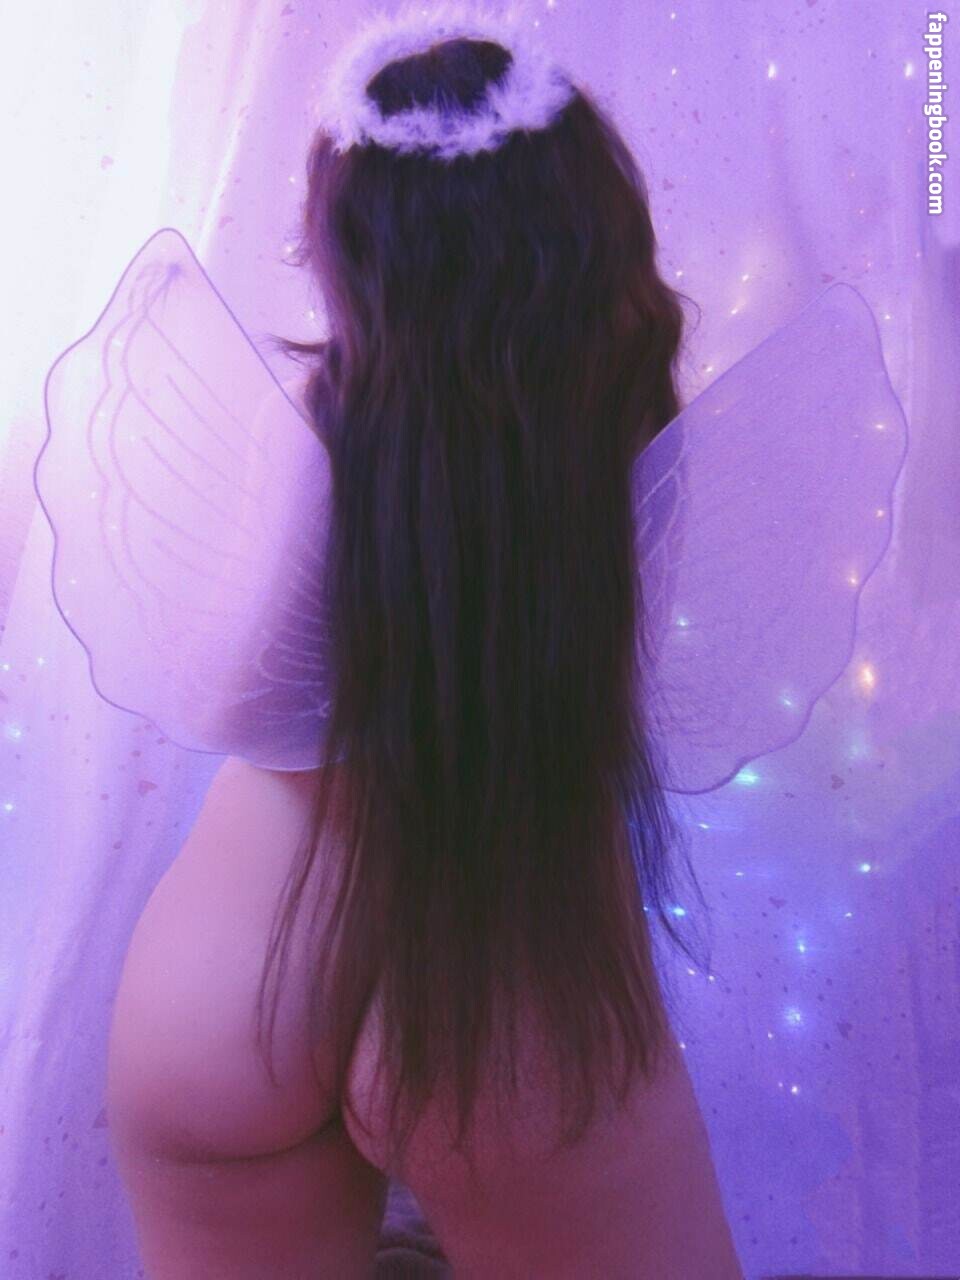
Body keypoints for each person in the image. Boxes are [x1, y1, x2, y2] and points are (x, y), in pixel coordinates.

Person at [38, 5, 905, 1277]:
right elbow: (625, 702)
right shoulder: (621, 434)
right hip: (515, 969)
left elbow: (227, 692)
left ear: (342, 241)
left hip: (237, 969)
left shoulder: (300, 424)